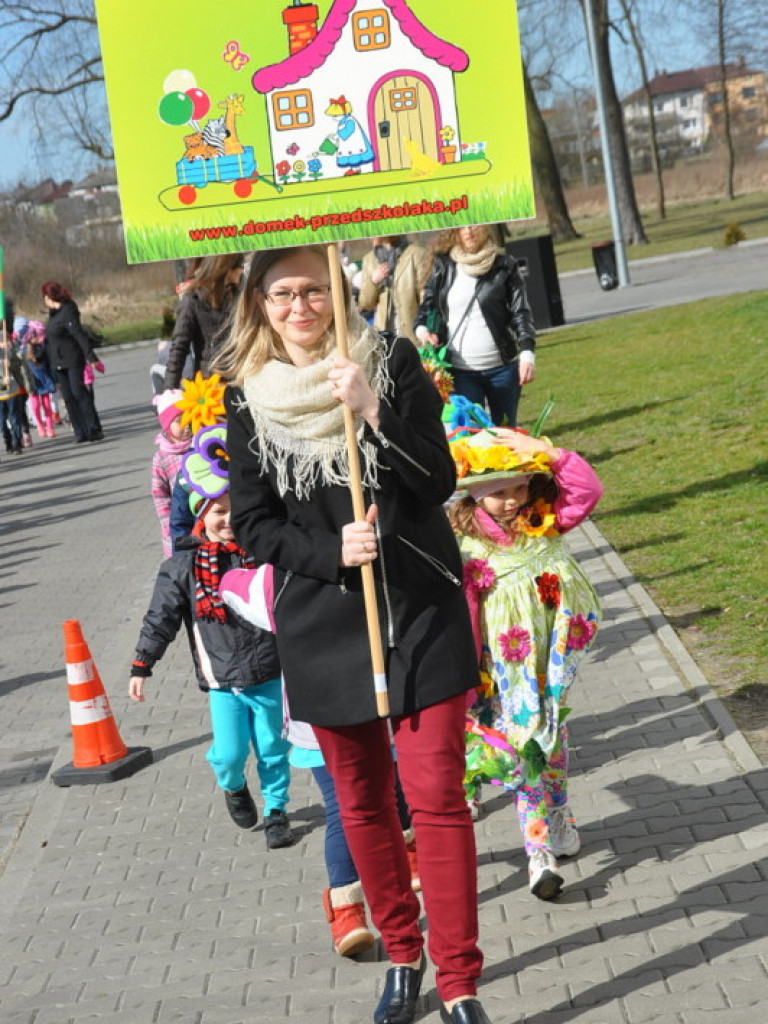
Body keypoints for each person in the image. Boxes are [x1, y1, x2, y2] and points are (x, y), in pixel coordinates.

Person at [217, 243, 493, 1024]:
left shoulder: (392, 359)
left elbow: (438, 479)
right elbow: (253, 526)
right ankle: (402, 957)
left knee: (437, 798)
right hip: (326, 627)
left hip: (419, 612)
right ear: (259, 306)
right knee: (363, 804)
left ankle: (460, 979)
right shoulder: (247, 397)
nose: (299, 307)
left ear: (337, 290)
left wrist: (374, 407)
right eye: (281, 295)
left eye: (313, 291)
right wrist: (330, 552)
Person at [220, 563, 421, 959]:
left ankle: (405, 857)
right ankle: (347, 906)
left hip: (375, 707)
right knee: (347, 808)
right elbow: (234, 587)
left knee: (389, 789)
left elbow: (230, 586)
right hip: (323, 720)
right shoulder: (279, 576)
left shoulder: (366, 559)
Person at [446, 424, 602, 899]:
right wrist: (466, 678)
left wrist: (547, 454)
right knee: (527, 745)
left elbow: (588, 490)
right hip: (506, 673)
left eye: (519, 486)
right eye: (499, 493)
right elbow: (464, 615)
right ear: (475, 498)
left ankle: (558, 814)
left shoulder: (546, 521)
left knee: (553, 741)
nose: (513, 500)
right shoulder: (469, 548)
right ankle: (539, 855)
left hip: (551, 663)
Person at [128, 423, 294, 850]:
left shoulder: (263, 554)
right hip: (222, 681)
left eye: (236, 511)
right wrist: (142, 664)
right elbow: (160, 617)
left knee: (274, 748)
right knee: (230, 753)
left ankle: (277, 809)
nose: (228, 521)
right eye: (217, 512)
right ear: (201, 516)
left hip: (270, 671)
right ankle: (233, 784)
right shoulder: (182, 567)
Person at [414, 224, 536, 427]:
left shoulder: (505, 265)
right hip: (461, 372)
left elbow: (521, 314)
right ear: (456, 231)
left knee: (506, 433)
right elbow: (425, 311)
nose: (469, 231)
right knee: (471, 436)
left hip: (503, 370)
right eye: (463, 227)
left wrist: (527, 355)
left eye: (475, 225)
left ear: (487, 228)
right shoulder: (444, 266)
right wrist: (424, 332)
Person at [163, 254, 244, 389]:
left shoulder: (240, 297)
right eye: (239, 267)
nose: (241, 271)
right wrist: (169, 391)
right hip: (210, 384)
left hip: (240, 377)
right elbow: (179, 347)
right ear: (226, 269)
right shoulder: (192, 300)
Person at [41, 281, 104, 443]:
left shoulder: (68, 310)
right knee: (68, 397)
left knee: (79, 392)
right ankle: (79, 431)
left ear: (49, 296)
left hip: (72, 358)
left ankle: (93, 428)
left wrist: (91, 357)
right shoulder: (53, 314)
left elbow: (78, 334)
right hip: (57, 361)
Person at [357, 236, 432, 347]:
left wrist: (423, 330)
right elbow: (366, 303)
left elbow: (426, 299)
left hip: (413, 337)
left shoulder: (417, 254)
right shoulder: (369, 260)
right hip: (384, 339)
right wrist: (374, 281)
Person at [150, 389, 192, 557]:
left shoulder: (200, 444)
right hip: (178, 525)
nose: (186, 426)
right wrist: (169, 527)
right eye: (179, 421)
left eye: (189, 419)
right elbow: (160, 496)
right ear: (167, 425)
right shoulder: (162, 458)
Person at [15, 318, 57, 438]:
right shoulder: (23, 351)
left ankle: (49, 427)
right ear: (29, 336)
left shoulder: (42, 348)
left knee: (47, 404)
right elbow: (23, 369)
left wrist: (54, 379)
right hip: (32, 382)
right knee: (35, 406)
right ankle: (39, 424)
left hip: (44, 380)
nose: (38, 338)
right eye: (35, 336)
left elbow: (48, 364)